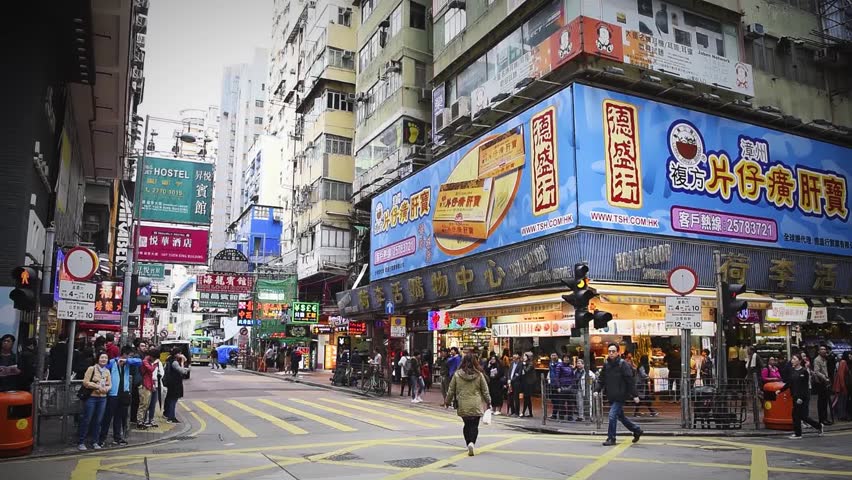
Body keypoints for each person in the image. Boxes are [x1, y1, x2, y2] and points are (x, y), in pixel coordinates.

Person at [444, 353, 491, 457]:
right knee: (474, 426)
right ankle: (472, 443)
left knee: (467, 425)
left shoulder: (457, 375)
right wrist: (489, 402)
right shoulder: (479, 375)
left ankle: (468, 443)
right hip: (476, 403)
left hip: (463, 403)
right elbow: (485, 390)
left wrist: (447, 402)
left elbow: (451, 390)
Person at [595, 343, 643, 446]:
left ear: (618, 352)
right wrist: (597, 389)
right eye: (609, 351)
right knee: (621, 417)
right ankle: (637, 430)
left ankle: (611, 438)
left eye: (613, 351)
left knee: (612, 416)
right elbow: (601, 379)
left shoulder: (623, 364)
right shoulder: (606, 365)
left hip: (621, 396)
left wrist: (635, 395)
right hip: (611, 396)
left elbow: (630, 381)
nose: (611, 353)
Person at [99, 346, 141, 447]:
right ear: (125, 354)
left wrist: (126, 361)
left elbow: (140, 362)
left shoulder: (127, 363)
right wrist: (118, 360)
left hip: (123, 394)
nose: (130, 358)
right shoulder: (113, 362)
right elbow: (104, 369)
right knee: (107, 418)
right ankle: (101, 439)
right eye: (129, 356)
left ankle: (117, 438)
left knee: (119, 417)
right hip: (113, 394)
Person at [777, 353, 824, 438]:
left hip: (802, 397)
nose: (792, 361)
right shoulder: (792, 371)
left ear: (799, 361)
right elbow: (789, 383)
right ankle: (818, 426)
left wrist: (801, 398)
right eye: (792, 359)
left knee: (796, 415)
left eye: (794, 359)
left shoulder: (804, 372)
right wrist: (780, 390)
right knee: (802, 416)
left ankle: (798, 434)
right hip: (795, 396)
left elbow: (804, 387)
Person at [78, 353, 112, 450]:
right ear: (98, 359)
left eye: (106, 358)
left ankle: (95, 442)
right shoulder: (91, 369)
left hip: (102, 398)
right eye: (102, 357)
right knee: (87, 419)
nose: (104, 359)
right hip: (91, 398)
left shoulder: (107, 371)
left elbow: (110, 384)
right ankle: (81, 442)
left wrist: (106, 389)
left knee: (98, 421)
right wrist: (97, 386)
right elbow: (85, 382)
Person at [163, 347, 189, 423]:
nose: (181, 355)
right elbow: (182, 371)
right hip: (175, 383)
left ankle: (167, 414)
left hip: (170, 383)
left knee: (170, 399)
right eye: (180, 353)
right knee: (173, 400)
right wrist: (183, 362)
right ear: (176, 354)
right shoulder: (174, 362)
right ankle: (171, 417)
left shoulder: (168, 359)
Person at [137, 348, 157, 429]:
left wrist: (152, 385)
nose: (155, 359)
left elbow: (150, 375)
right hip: (144, 385)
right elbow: (151, 370)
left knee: (146, 405)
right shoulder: (145, 361)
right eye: (155, 358)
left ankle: (142, 421)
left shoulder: (149, 361)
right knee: (143, 404)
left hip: (148, 385)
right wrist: (155, 364)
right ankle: (140, 422)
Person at [547, 353, 572, 420]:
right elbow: (554, 374)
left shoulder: (562, 364)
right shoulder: (552, 364)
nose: (553, 357)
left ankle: (558, 415)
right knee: (556, 401)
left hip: (564, 385)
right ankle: (557, 415)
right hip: (556, 385)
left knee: (564, 401)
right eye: (552, 355)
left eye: (554, 355)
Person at [813, 345, 832, 426]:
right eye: (822, 349)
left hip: (826, 382)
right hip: (821, 383)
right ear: (818, 351)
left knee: (825, 401)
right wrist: (824, 377)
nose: (824, 351)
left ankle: (825, 418)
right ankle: (821, 419)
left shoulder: (825, 359)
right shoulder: (817, 360)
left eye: (825, 349)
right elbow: (816, 371)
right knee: (821, 402)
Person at [130, 340, 147, 425]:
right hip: (137, 382)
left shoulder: (142, 355)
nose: (144, 347)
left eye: (145, 346)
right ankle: (133, 418)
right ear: (138, 347)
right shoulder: (137, 356)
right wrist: (138, 382)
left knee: (138, 401)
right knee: (136, 401)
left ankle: (135, 418)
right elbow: (136, 371)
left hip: (139, 381)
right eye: (142, 346)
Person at [833, 352, 850, 421]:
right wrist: (843, 386)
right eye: (849, 355)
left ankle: (842, 415)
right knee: (841, 401)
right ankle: (841, 416)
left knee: (842, 401)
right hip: (841, 386)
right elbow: (841, 375)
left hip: (841, 385)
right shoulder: (843, 362)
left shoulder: (843, 362)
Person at [521, 352, 537, 417]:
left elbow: (526, 371)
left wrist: (524, 365)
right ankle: (530, 413)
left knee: (527, 397)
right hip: (526, 382)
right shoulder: (527, 363)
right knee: (527, 398)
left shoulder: (530, 363)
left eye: (525, 356)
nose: (523, 357)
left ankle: (523, 412)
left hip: (529, 383)